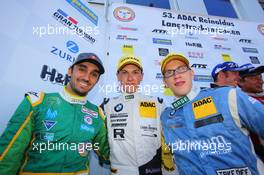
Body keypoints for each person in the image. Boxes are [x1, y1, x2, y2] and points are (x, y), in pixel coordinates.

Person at [0, 53, 109, 174]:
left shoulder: (97, 113)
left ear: (97, 80)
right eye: (82, 69)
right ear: (70, 71)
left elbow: (109, 154)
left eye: (94, 74)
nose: (87, 78)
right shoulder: (37, 102)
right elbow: (9, 154)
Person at [160, 53, 264, 175]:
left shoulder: (227, 96)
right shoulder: (166, 116)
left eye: (181, 69)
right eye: (169, 72)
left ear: (192, 73)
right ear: (165, 82)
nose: (176, 75)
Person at [100, 55, 176, 175]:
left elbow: (171, 135)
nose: (130, 78)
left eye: (135, 72)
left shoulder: (157, 103)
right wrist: (108, 156)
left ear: (141, 76)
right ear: (118, 76)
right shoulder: (107, 105)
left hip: (152, 168)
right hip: (119, 170)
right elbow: (98, 139)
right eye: (125, 73)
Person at [238, 63, 264, 162]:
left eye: (260, 77)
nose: (261, 81)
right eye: (254, 78)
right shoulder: (237, 101)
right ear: (241, 82)